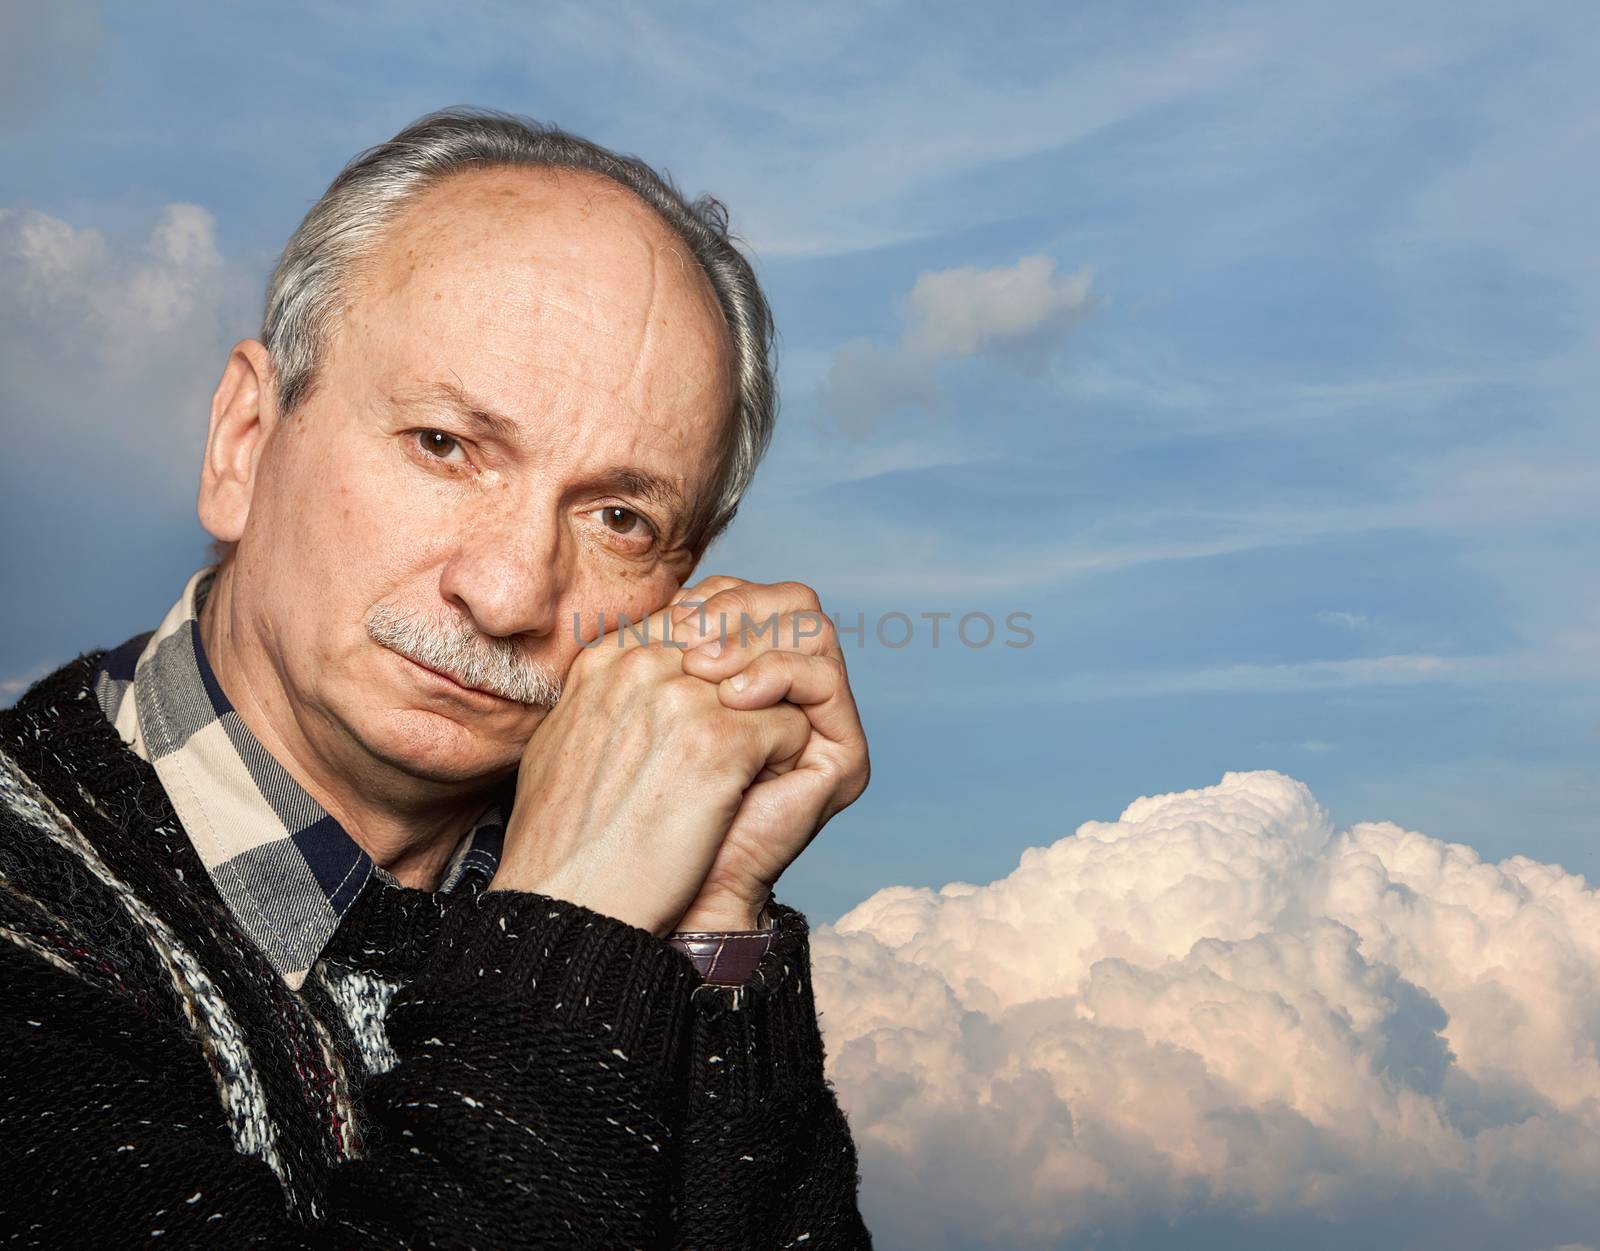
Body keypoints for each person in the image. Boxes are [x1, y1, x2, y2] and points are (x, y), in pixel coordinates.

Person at [0, 106, 873, 1248]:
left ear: (677, 590)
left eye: (617, 517)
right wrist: (575, 929)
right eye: (445, 446)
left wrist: (715, 925)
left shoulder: (644, 913)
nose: (508, 595)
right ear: (244, 441)